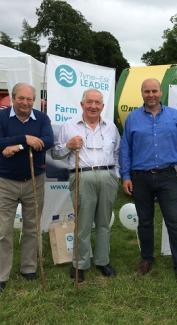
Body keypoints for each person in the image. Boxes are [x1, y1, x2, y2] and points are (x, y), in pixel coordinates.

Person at [119, 78, 177, 287]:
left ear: (161, 92)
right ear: (141, 93)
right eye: (146, 91)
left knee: (175, 223)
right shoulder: (132, 118)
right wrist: (125, 175)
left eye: (154, 91)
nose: (150, 94)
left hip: (167, 176)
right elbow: (126, 150)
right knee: (144, 222)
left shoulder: (174, 116)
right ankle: (146, 259)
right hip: (140, 177)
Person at [0, 83, 54, 293]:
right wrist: (24, 139)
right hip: (6, 182)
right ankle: (1, 276)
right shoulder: (0, 118)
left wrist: (16, 147)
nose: (25, 103)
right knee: (4, 230)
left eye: (29, 99)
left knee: (32, 227)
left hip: (34, 180)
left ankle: (28, 268)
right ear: (13, 98)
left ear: (34, 101)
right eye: (21, 98)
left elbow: (48, 141)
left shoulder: (41, 119)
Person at [52, 89, 121, 283]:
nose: (93, 106)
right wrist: (68, 146)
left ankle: (102, 261)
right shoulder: (69, 126)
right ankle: (80, 264)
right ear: (82, 104)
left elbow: (117, 153)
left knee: (104, 222)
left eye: (97, 103)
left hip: (107, 175)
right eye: (89, 102)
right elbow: (56, 153)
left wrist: (116, 175)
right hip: (82, 176)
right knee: (82, 224)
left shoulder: (111, 127)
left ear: (102, 106)